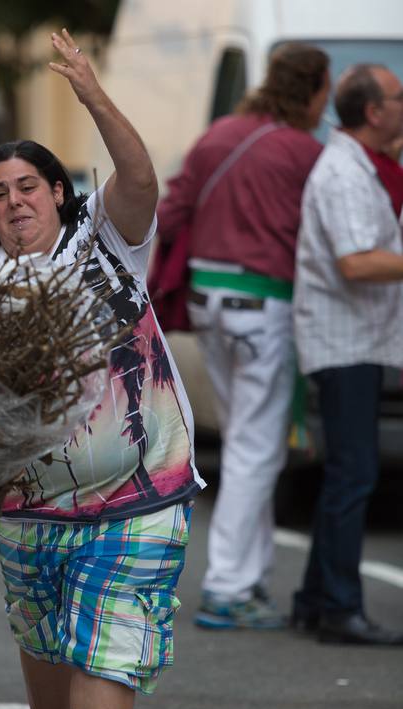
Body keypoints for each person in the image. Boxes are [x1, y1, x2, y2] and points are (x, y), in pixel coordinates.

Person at [0, 29, 203, 709]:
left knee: (112, 631)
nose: (16, 200)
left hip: (139, 487)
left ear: (60, 193)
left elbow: (138, 177)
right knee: (43, 632)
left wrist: (91, 91)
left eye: (30, 185)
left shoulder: (110, 249)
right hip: (30, 502)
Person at [156, 43, 330, 629]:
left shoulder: (219, 136)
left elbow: (172, 209)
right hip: (266, 305)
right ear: (312, 91)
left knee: (245, 441)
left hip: (207, 300)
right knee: (257, 449)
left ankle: (248, 580)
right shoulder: (306, 152)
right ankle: (228, 586)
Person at [292, 65, 403, 645]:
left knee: (347, 474)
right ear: (374, 113)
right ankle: (339, 607)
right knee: (354, 474)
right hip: (344, 339)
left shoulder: (368, 162)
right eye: (398, 96)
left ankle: (315, 598)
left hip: (359, 335)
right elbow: (356, 262)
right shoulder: (341, 172)